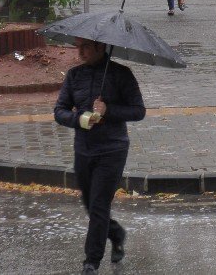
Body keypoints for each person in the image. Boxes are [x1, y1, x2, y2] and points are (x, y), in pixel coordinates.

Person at [54, 38, 146, 275]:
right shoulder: (74, 76)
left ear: (100, 47)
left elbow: (138, 111)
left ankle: (91, 262)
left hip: (112, 150)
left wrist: (109, 111)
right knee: (90, 203)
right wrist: (79, 120)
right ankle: (116, 233)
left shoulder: (121, 74)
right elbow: (59, 111)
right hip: (83, 149)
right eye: (78, 46)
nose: (80, 51)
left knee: (98, 205)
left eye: (85, 46)